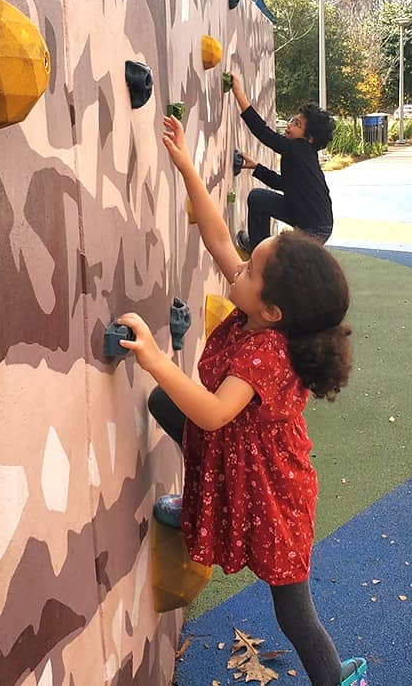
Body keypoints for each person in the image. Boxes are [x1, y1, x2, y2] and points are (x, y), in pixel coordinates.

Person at [116, 115, 368, 686]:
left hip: (273, 488)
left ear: (273, 309)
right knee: (164, 407)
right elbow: (219, 238)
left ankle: (335, 681)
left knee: (291, 607)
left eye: (253, 268)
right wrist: (185, 168)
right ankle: (207, 500)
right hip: (237, 455)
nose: (244, 260)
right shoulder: (256, 308)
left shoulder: (266, 353)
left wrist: (155, 356)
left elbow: (211, 412)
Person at [227, 73, 334, 253]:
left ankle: (264, 264)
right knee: (258, 198)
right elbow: (283, 184)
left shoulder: (299, 149)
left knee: (286, 261)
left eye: (297, 124)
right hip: (301, 212)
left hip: (315, 228)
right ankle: (257, 249)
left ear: (309, 138)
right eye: (292, 121)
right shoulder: (301, 155)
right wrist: (256, 167)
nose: (290, 126)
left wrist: (239, 94)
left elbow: (264, 133)